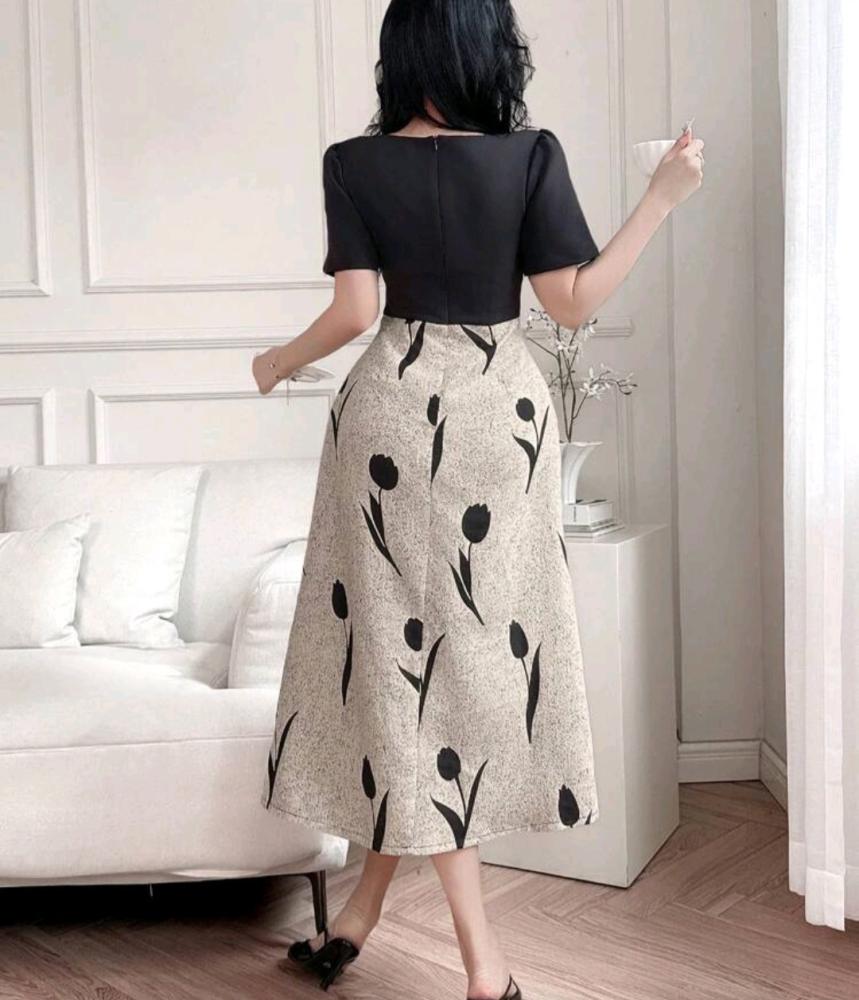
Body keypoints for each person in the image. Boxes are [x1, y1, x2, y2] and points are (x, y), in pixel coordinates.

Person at [252, 2, 703, 997]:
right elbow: (571, 304)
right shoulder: (528, 155)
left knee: (400, 667)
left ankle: (459, 956)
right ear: (489, 50)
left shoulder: (352, 163)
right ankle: (415, 938)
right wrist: (659, 200)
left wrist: (277, 361)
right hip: (500, 416)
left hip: (387, 410)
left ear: (400, 49)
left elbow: (357, 312)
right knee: (447, 667)